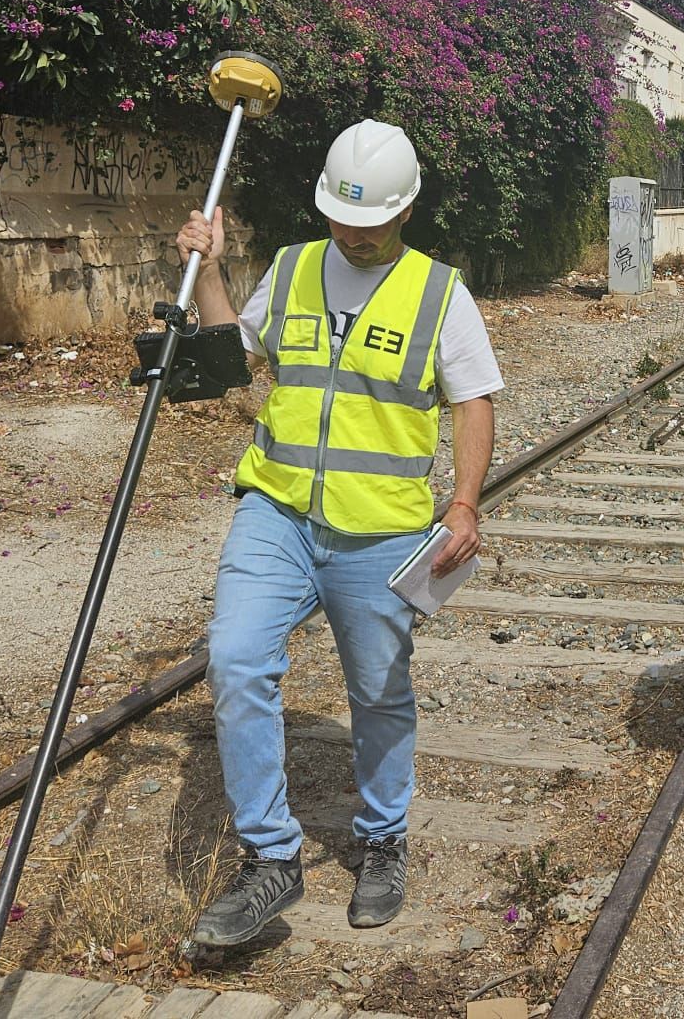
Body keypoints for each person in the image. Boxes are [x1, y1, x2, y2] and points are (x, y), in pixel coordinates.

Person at [173, 119, 503, 946]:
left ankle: (383, 838)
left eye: (371, 221)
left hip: (382, 534)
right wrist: (209, 271)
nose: (352, 233)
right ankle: (271, 858)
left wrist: (462, 504)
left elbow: (474, 401)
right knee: (237, 657)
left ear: (408, 210)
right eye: (340, 217)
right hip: (277, 510)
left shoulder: (439, 293)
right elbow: (233, 355)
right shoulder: (290, 267)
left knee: (379, 695)